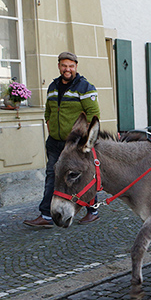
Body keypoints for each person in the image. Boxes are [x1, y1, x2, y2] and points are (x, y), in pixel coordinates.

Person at [24, 52, 101, 228]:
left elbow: (93, 115)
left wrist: (83, 141)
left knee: (83, 176)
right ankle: (46, 215)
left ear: (76, 67)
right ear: (59, 66)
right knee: (53, 176)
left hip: (74, 145)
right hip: (55, 142)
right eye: (64, 65)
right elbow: (48, 112)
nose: (68, 69)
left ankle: (93, 211)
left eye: (71, 66)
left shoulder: (85, 87)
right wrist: (51, 127)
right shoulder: (52, 86)